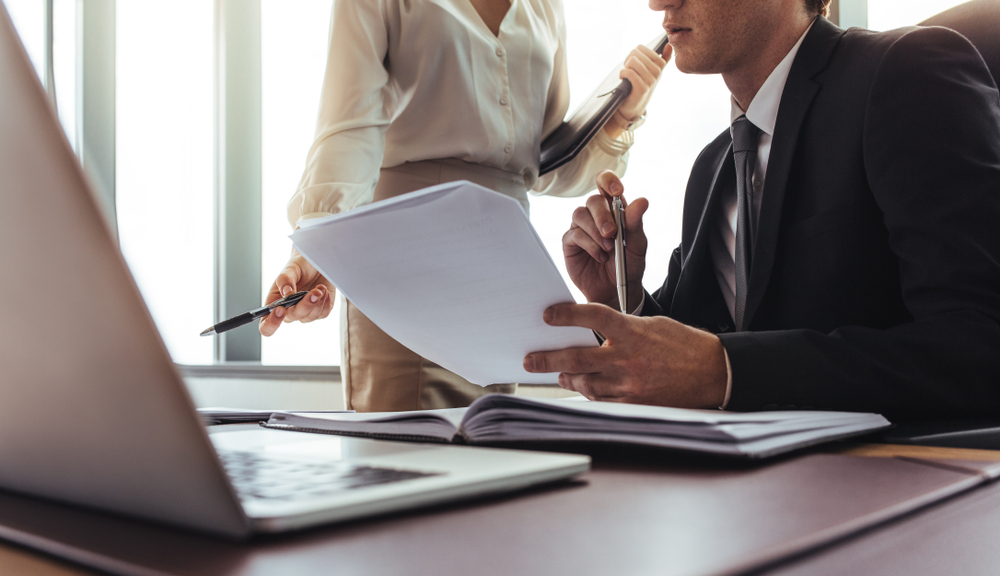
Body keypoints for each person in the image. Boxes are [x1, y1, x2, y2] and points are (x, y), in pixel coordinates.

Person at [522, 0, 1000, 421]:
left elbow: (980, 341)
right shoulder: (714, 166)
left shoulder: (908, 72)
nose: (658, 2)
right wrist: (619, 296)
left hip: (892, 483)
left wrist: (725, 370)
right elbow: (696, 343)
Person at [258, 0, 668, 412]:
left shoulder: (545, 6)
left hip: (507, 271)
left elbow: (543, 166)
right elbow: (349, 131)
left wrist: (620, 117)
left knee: (493, 444)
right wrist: (321, 242)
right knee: (402, 455)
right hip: (404, 264)